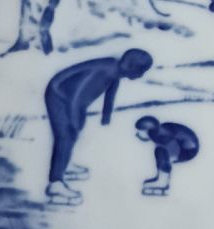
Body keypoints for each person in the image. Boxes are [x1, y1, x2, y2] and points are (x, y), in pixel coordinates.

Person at [44, 48, 153, 206]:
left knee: (72, 133)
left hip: (72, 99)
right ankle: (55, 184)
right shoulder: (106, 71)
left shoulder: (116, 70)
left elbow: (111, 90)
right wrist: (74, 119)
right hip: (59, 95)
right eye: (141, 71)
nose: (141, 75)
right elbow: (76, 95)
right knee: (65, 136)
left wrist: (106, 115)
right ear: (130, 66)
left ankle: (64, 165)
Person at [135, 115, 200, 196]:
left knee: (160, 151)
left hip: (188, 149)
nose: (137, 134)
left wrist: (167, 161)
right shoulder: (158, 131)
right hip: (186, 146)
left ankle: (162, 182)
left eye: (139, 131)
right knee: (161, 151)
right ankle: (162, 178)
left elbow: (172, 146)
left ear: (146, 130)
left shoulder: (160, 135)